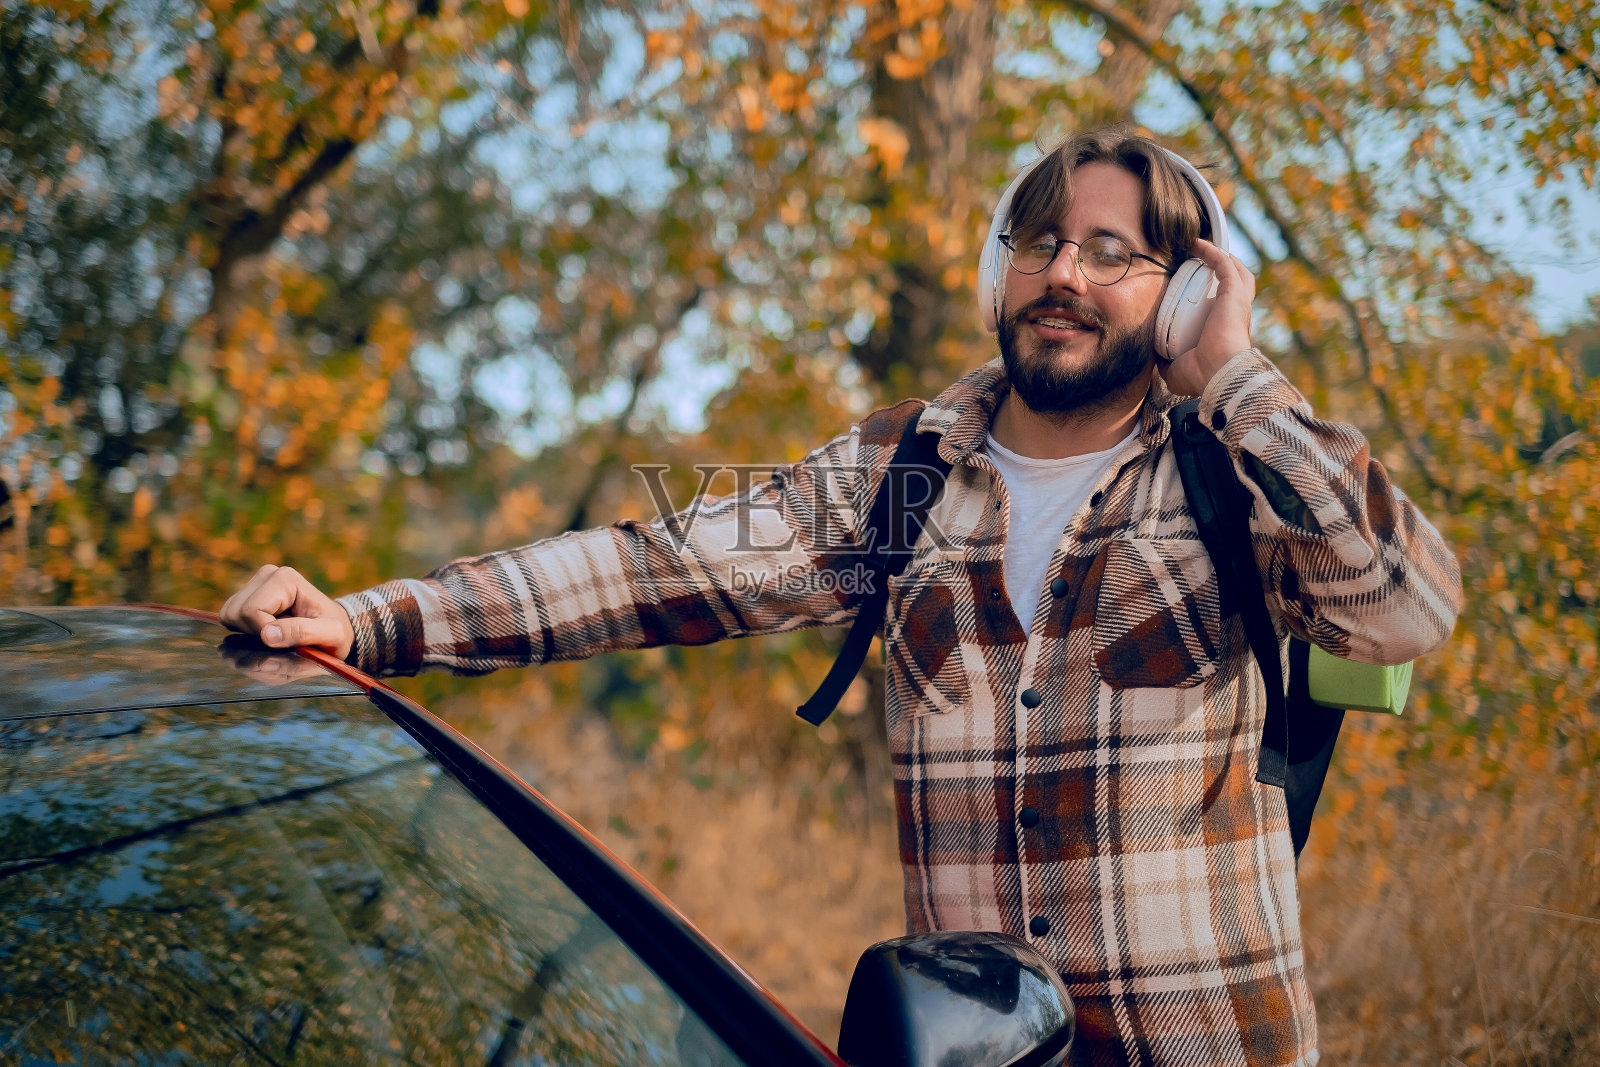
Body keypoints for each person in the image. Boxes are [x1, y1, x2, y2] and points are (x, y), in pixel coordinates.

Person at [222, 126, 1462, 1065]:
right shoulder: (901, 472)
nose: (1061, 274)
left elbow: (1403, 608)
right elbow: (656, 568)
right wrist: (376, 619)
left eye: (1109, 250)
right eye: (1038, 241)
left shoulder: (1230, 469)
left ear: (1184, 287)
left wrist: (1236, 372)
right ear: (999, 266)